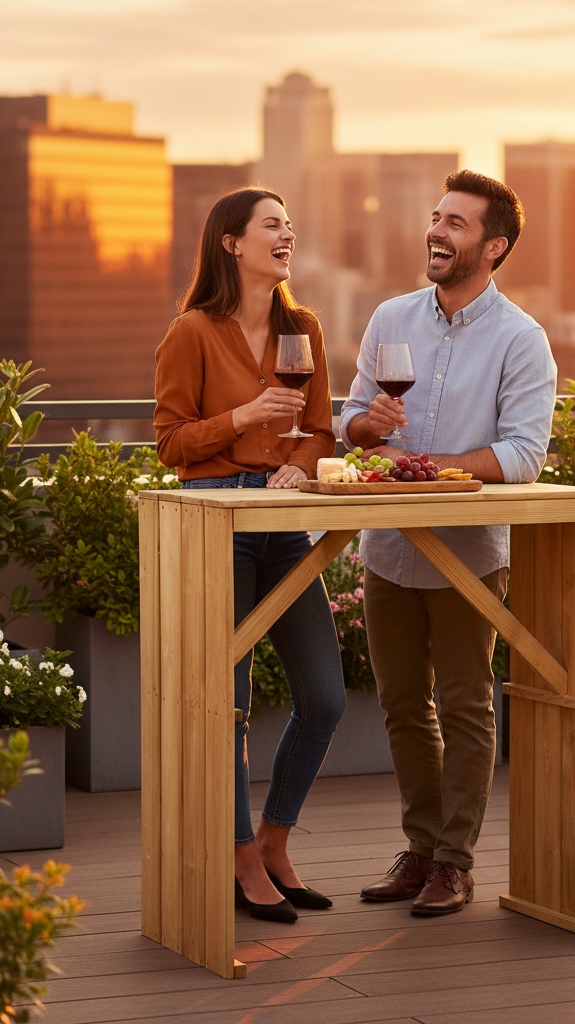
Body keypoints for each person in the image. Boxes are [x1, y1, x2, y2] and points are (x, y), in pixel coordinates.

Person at [340, 170, 556, 916]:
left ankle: (456, 863)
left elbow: (524, 457)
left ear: (493, 247)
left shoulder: (521, 340)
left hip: (467, 554)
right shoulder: (390, 318)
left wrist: (426, 470)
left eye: (456, 224)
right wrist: (368, 429)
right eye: (436, 218)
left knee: (465, 704)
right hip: (389, 551)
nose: (437, 231)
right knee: (403, 704)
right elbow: (351, 424)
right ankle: (421, 848)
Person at [154, 186, 346, 924]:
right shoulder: (192, 333)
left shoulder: (305, 328)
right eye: (273, 224)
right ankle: (238, 860)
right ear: (232, 242)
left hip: (284, 521)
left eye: (290, 224)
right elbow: (170, 443)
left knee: (325, 697)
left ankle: (273, 840)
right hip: (218, 522)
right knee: (226, 706)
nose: (287, 233)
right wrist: (242, 416)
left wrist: (300, 462)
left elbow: (321, 429)